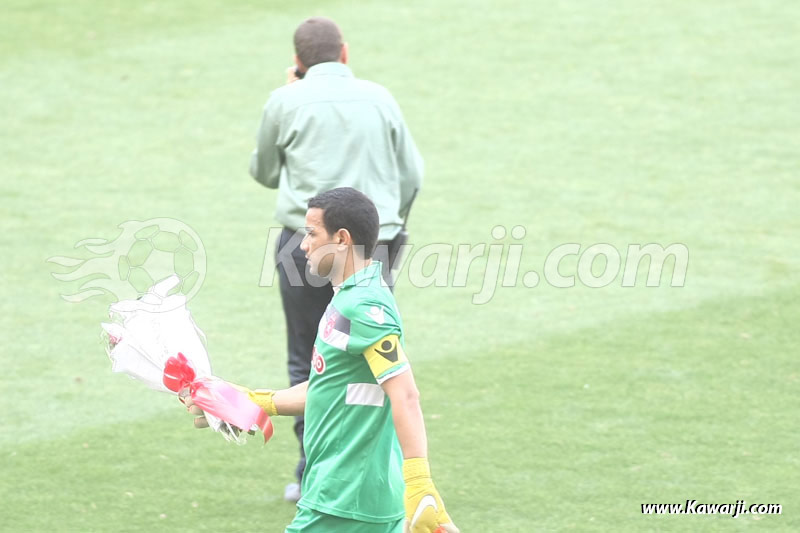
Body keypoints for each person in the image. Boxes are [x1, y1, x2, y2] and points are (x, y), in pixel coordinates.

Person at [184, 188, 457, 533]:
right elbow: (332, 388)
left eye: (312, 233)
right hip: (350, 493)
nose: (303, 244)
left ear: (341, 239)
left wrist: (419, 483)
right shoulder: (348, 300)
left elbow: (404, 394)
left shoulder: (364, 309)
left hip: (344, 498)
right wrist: (257, 403)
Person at [248, 16, 424, 500]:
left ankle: (314, 476)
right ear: (344, 53)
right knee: (370, 359)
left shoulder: (284, 100)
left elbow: (262, 171)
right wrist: (390, 224)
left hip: (301, 244)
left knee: (309, 355)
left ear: (298, 62)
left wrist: (291, 94)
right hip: (379, 240)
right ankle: (380, 474)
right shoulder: (381, 97)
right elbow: (413, 173)